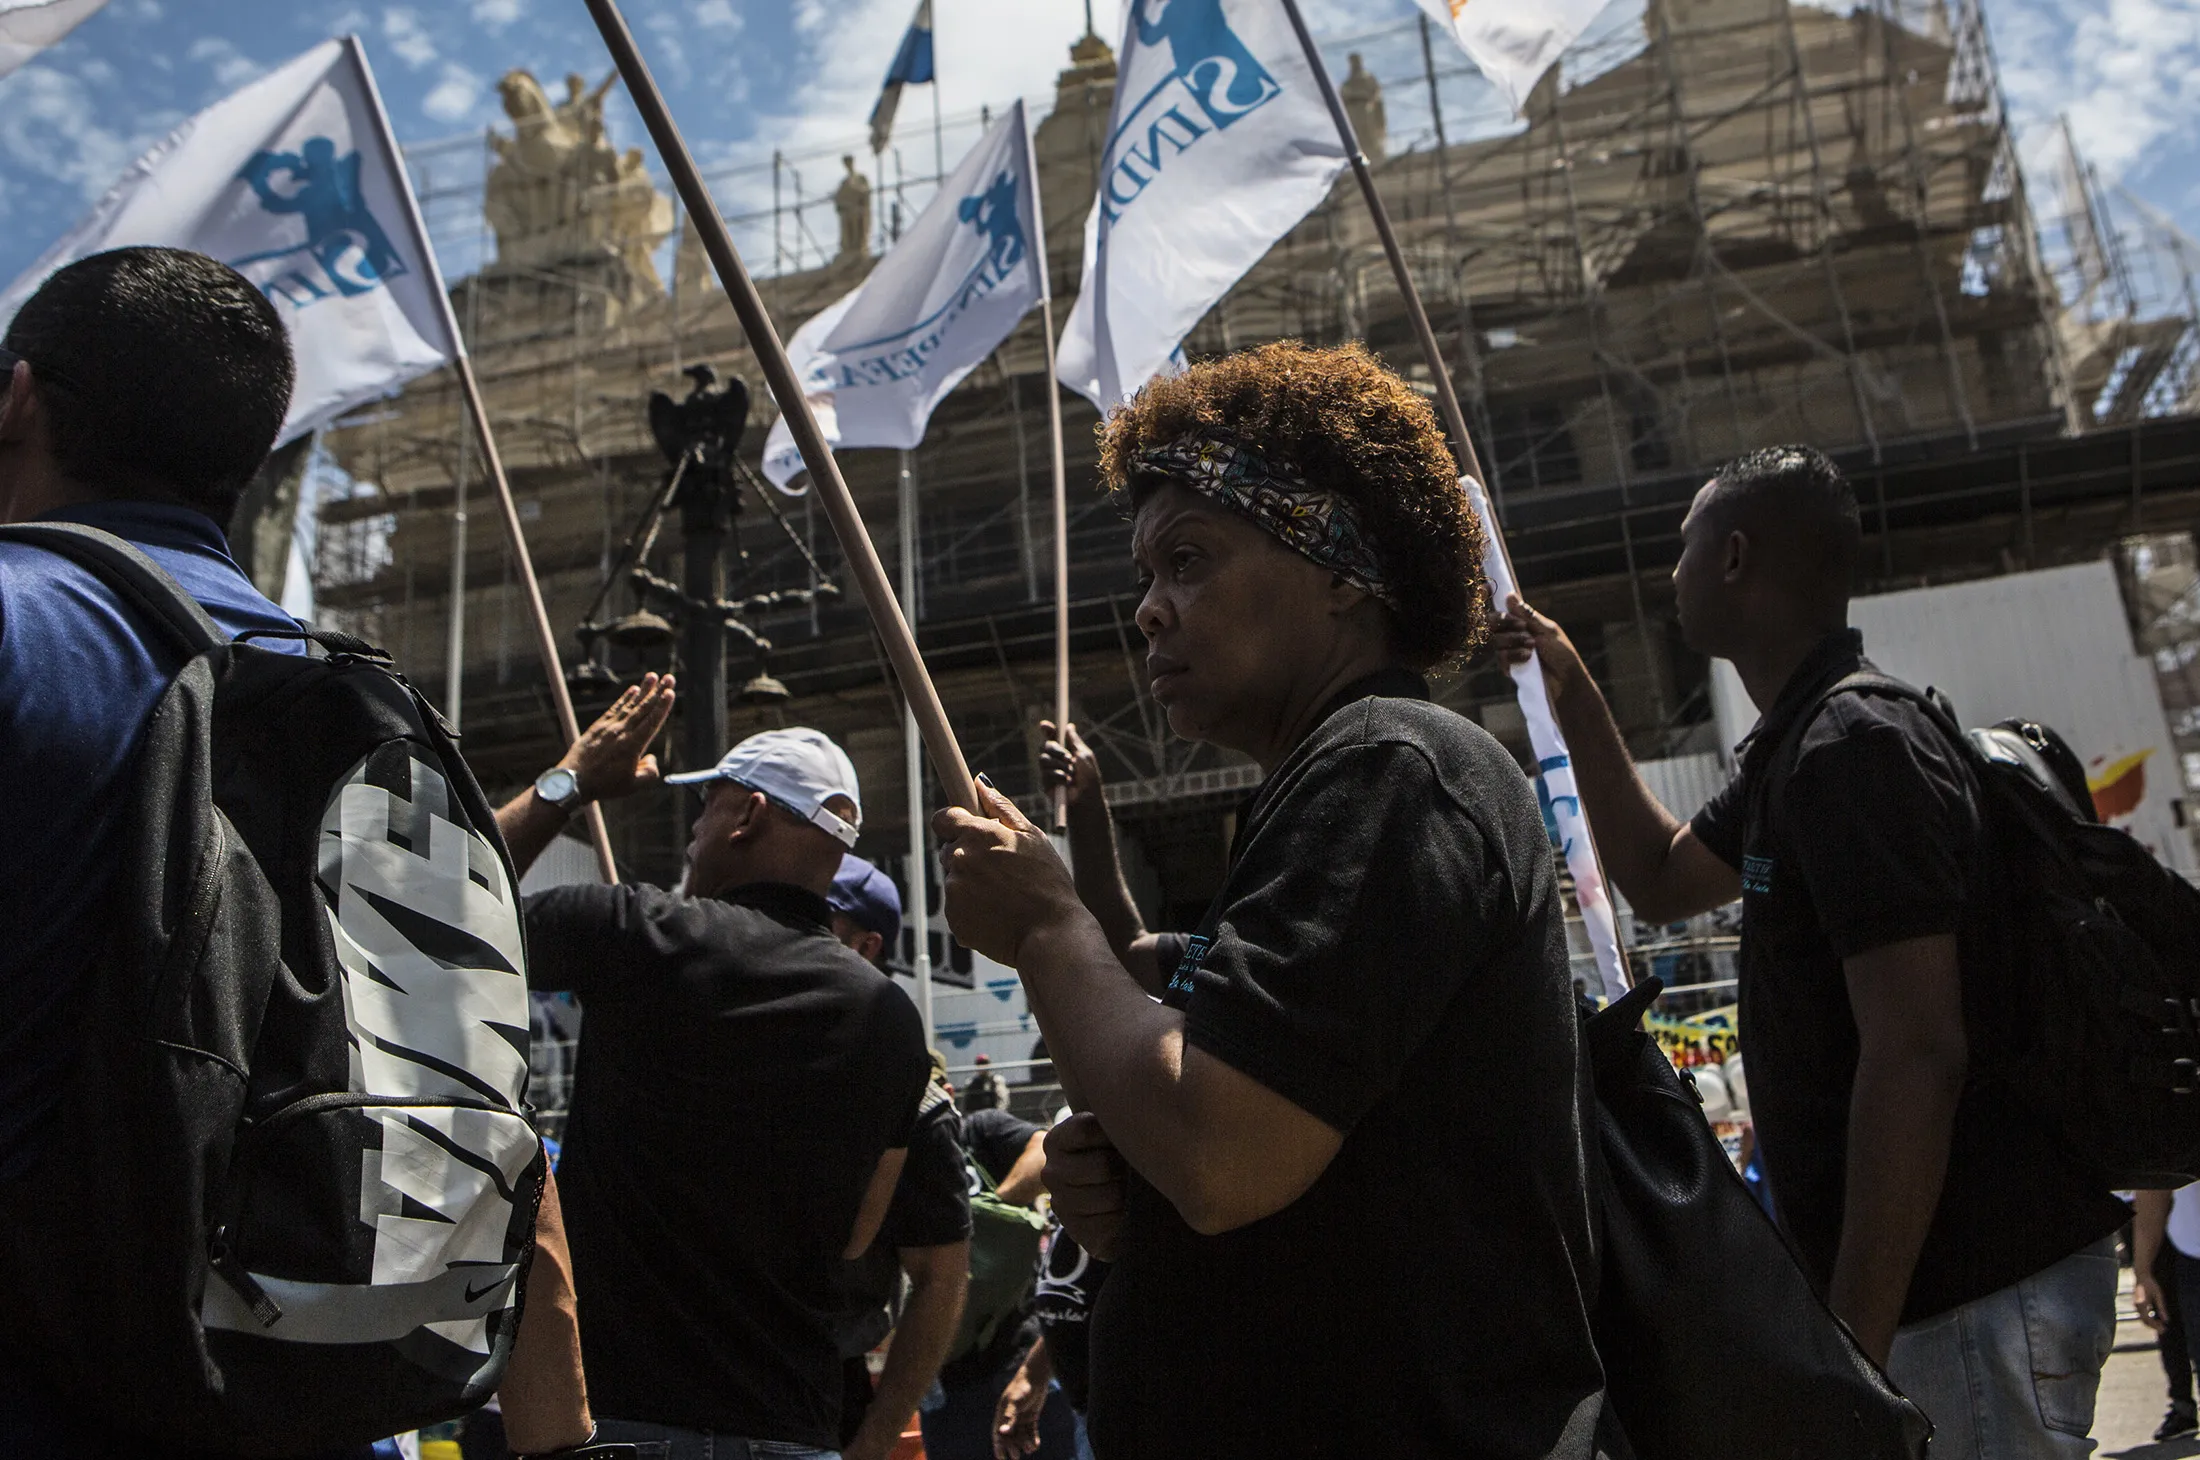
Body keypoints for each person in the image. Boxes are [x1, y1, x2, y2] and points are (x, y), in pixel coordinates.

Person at [930, 341, 1608, 1456]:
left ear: (1340, 566)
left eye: (1188, 560)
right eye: (1145, 576)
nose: (1149, 611)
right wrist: (1124, 1188)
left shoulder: (1388, 770)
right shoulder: (1336, 784)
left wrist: (1049, 928)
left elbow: (1223, 1152)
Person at [0, 247, 594, 1459]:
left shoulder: (26, 626)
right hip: (309, 1401)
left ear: (17, 399)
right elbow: (473, 1098)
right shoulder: (372, 712)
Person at [1492, 444, 2129, 1458]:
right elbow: (1658, 871)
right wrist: (1566, 683)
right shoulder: (1799, 748)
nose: (1670, 572)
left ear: (1735, 556)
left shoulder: (1855, 746)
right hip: (1935, 1298)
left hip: (1965, 1289)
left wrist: (1852, 1351)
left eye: (1684, 547)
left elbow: (1917, 1052)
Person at [497, 711, 931, 1460]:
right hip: (793, 1429)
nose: (695, 832)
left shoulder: (636, 932)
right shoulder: (891, 1019)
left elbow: (443, 907)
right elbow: (862, 1231)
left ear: (747, 815)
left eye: (707, 807)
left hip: (615, 1423)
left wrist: (568, 784)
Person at [825, 855, 974, 1460]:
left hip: (824, 1391)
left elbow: (942, 1277)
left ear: (867, 945)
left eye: (816, 922)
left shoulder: (910, 1096)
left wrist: (877, 1437)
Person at [921, 1101, 1070, 1460]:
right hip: (942, 1378)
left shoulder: (978, 1134)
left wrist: (990, 1215)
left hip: (1019, 1357)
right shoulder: (900, 1160)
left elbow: (1047, 1152)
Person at [2136, 1184, 2200, 1442]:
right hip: (2192, 1250)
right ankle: (2182, 1404)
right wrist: (2143, 1272)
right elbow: (2153, 1193)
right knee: (2174, 1330)